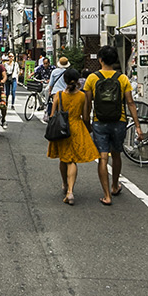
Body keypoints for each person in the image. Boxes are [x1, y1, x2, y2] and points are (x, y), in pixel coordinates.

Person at [82, 45, 142, 205]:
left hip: (99, 121)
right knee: (116, 154)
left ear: (100, 60)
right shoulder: (122, 78)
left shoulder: (92, 78)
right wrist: (137, 126)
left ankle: (107, 195)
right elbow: (130, 102)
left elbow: (87, 104)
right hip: (119, 121)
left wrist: (86, 122)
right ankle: (115, 186)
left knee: (103, 157)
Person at [46, 68, 97, 205]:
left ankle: (65, 185)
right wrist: (89, 128)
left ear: (64, 80)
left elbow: (52, 115)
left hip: (62, 129)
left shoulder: (59, 95)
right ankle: (70, 190)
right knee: (72, 160)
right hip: (76, 127)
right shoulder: (82, 96)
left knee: (64, 158)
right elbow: (86, 117)